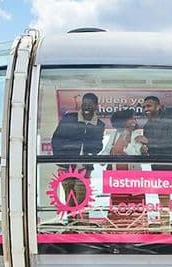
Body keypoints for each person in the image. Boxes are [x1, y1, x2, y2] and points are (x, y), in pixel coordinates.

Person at [136, 95, 172, 231]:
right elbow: (151, 150)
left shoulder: (171, 119)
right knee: (163, 202)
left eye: (149, 106)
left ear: (158, 106)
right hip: (159, 167)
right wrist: (144, 150)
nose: (146, 109)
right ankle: (164, 230)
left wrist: (148, 142)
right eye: (144, 107)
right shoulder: (147, 126)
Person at [51, 92, 106, 222]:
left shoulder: (99, 124)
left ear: (96, 106)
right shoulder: (69, 118)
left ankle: (81, 226)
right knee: (69, 198)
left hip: (84, 167)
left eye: (90, 104)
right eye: (84, 104)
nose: (86, 107)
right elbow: (56, 139)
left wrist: (91, 150)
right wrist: (61, 157)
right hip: (66, 165)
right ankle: (72, 227)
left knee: (81, 197)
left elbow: (98, 146)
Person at [101, 108, 146, 231]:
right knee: (118, 211)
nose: (134, 120)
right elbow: (103, 157)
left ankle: (137, 235)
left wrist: (124, 146)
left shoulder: (138, 134)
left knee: (136, 210)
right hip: (117, 181)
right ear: (124, 121)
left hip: (134, 180)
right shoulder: (114, 134)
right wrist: (112, 151)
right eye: (131, 118)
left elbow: (135, 155)